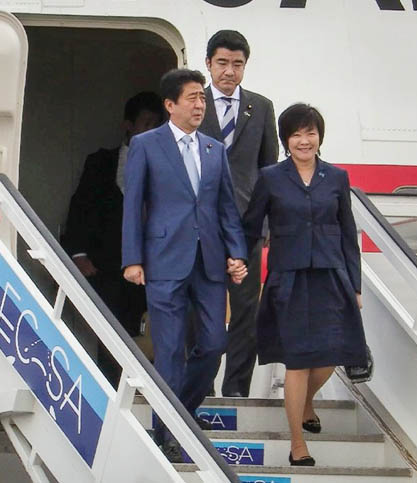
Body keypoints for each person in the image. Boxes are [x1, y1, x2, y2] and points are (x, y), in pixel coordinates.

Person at [121, 68, 248, 462]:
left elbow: (226, 207)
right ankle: (169, 430)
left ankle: (182, 414)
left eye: (202, 98)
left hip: (209, 261)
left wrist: (237, 253)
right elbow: (134, 204)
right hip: (163, 260)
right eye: (192, 97)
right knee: (171, 349)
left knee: (213, 344)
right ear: (170, 104)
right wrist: (132, 259)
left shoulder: (214, 149)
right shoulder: (146, 145)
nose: (199, 104)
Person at [243, 103, 368, 466]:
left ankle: (308, 402)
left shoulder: (337, 178)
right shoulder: (271, 178)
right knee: (297, 361)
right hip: (289, 277)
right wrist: (236, 259)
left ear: (320, 137)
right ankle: (298, 443)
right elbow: (251, 225)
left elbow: (348, 234)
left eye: (310, 132)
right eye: (296, 133)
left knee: (332, 354)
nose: (304, 140)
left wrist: (355, 285)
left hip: (330, 274)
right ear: (285, 139)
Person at [198, 30, 279, 398]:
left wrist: (266, 225)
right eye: (222, 63)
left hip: (246, 228)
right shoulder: (193, 104)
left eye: (237, 64)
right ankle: (198, 387)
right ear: (208, 64)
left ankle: (235, 391)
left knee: (246, 312)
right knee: (199, 307)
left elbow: (269, 170)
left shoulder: (261, 107)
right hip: (201, 226)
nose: (229, 72)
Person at [63, 92, 164, 386]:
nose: (150, 130)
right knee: (110, 331)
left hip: (152, 265)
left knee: (150, 331)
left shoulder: (167, 164)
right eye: (146, 123)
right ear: (128, 125)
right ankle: (108, 391)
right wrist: (79, 254)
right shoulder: (100, 162)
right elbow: (80, 208)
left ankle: (148, 391)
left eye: (157, 125)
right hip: (106, 263)